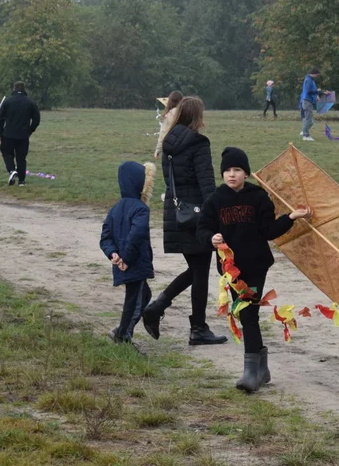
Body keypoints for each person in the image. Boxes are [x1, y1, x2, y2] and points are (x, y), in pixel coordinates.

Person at [198, 147, 312, 393]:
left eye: (237, 170)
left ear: (246, 173)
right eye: (227, 170)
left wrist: (291, 217)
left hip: (257, 264)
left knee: (248, 314)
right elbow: (202, 228)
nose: (231, 174)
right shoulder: (215, 200)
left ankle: (251, 372)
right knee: (247, 315)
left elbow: (268, 231)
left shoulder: (258, 197)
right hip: (232, 270)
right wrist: (211, 238)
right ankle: (260, 369)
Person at [142, 96, 227, 346]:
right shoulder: (199, 143)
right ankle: (196, 327)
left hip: (177, 211)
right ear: (196, 116)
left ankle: (160, 308)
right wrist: (217, 214)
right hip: (197, 214)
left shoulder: (169, 142)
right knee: (199, 271)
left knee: (197, 270)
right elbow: (207, 182)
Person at [99, 161, 156, 346]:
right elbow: (136, 235)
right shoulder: (141, 209)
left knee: (144, 296)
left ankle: (123, 330)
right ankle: (123, 336)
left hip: (124, 263)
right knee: (135, 303)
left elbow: (105, 238)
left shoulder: (114, 209)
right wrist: (125, 258)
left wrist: (112, 254)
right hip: (134, 263)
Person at [0, 81, 41, 186]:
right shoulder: (30, 102)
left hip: (8, 134)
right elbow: (36, 119)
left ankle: (12, 170)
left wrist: (0, 133)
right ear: (24, 89)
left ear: (14, 88)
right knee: (21, 157)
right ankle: (21, 181)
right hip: (23, 135)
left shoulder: (7, 102)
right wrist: (30, 130)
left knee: (7, 153)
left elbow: (0, 119)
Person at [154, 90, 184, 159]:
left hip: (171, 147)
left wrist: (158, 150)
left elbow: (163, 133)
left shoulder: (169, 115)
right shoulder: (187, 112)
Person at [299, 68, 322, 141]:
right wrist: (317, 91)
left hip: (309, 101)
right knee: (309, 120)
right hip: (307, 101)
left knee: (309, 120)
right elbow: (309, 91)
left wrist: (317, 95)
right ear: (314, 73)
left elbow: (311, 91)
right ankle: (306, 135)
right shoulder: (308, 80)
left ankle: (304, 132)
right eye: (317, 75)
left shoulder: (311, 80)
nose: (317, 76)